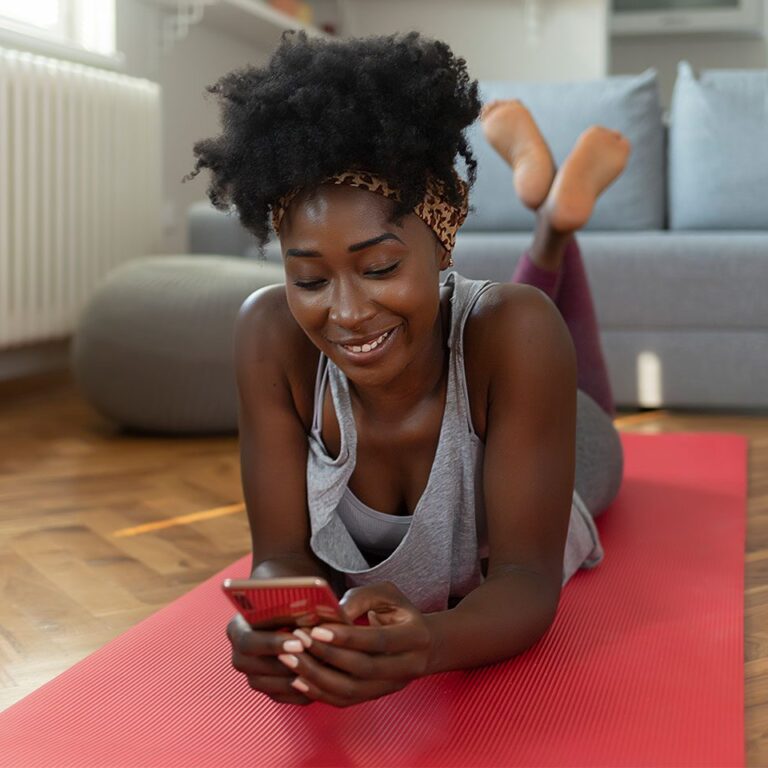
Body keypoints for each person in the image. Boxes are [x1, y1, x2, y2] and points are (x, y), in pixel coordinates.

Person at [187, 30, 627, 708]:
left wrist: (429, 644)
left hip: (575, 437)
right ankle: (555, 216)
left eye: (380, 267)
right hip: (485, 359)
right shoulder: (269, 336)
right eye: (308, 277)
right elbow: (279, 556)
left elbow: (526, 582)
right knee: (499, 322)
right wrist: (271, 627)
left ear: (442, 235)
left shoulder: (519, 336)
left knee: (557, 355)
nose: (347, 311)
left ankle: (556, 229)